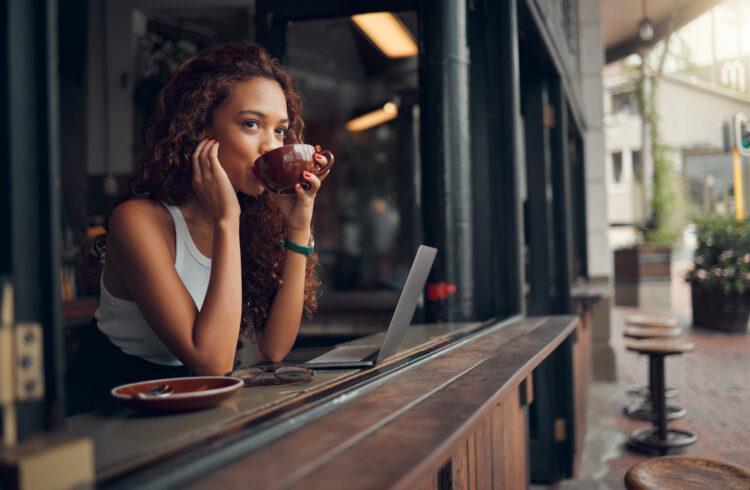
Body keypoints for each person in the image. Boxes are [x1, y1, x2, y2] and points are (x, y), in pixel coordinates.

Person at [66, 43, 327, 415]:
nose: (271, 146)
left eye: (281, 130)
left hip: (185, 405)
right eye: (251, 124)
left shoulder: (251, 220)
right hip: (110, 411)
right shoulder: (137, 221)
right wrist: (226, 219)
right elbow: (213, 363)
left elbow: (274, 347)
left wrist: (299, 226)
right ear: (201, 129)